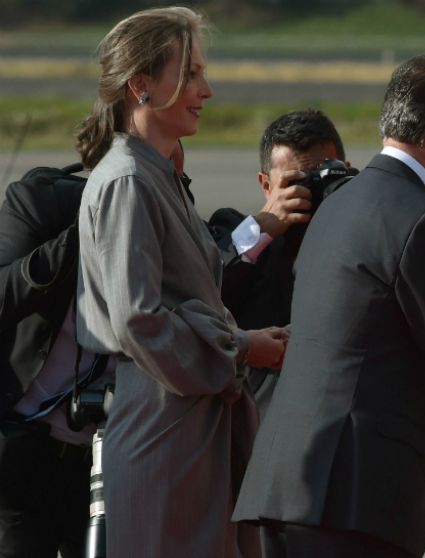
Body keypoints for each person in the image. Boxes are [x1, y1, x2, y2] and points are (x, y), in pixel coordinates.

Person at [233, 54, 425, 558]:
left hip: (283, 487)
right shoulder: (422, 220)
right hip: (351, 500)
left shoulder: (335, 205)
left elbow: (374, 350)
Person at [73, 7, 286, 558]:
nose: (206, 89)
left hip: (188, 415)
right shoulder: (128, 182)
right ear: (141, 85)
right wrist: (241, 349)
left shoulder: (157, 173)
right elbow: (137, 319)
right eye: (190, 74)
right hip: (164, 419)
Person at [0, 165, 112, 557]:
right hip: (23, 451)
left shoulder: (170, 234)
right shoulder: (41, 201)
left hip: (102, 462)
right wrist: (82, 234)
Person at [209, 108, 350, 417]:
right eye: (296, 183)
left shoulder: (360, 241)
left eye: (320, 179)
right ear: (266, 185)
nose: (310, 193)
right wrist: (259, 230)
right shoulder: (239, 238)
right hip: (263, 425)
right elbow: (206, 291)